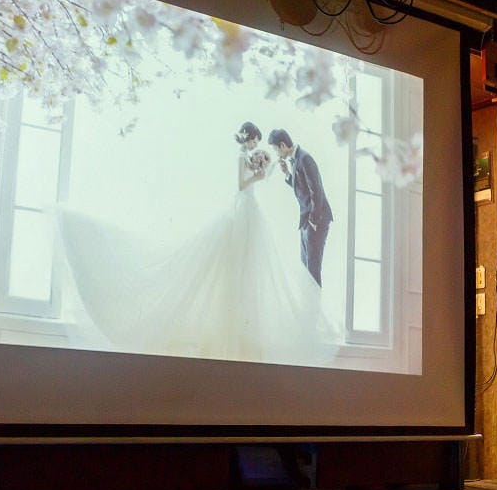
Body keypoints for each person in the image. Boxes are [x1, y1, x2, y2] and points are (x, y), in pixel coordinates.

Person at [56, 122, 334, 365]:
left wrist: (272, 172)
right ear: (249, 138)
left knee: (250, 266)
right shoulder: (242, 156)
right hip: (244, 209)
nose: (257, 147)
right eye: (256, 141)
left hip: (257, 212)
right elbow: (242, 184)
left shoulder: (291, 159)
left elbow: (305, 189)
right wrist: (260, 173)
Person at [267, 128, 332, 287]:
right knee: (305, 268)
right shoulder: (296, 159)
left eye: (275, 149)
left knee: (312, 269)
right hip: (306, 221)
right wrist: (287, 174)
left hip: (316, 219)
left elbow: (316, 191)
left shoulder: (304, 158)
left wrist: (313, 220)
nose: (276, 153)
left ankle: (314, 303)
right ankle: (307, 302)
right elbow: (303, 189)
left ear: (282, 145)